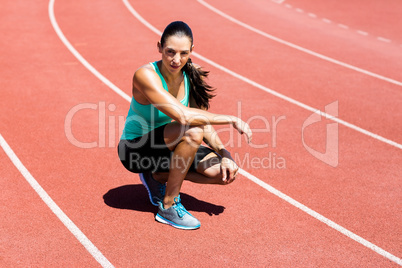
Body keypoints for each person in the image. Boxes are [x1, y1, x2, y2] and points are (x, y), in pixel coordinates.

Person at [118, 21, 252, 230]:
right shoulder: (145, 75)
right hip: (135, 149)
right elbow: (183, 116)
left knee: (223, 174)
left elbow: (201, 120)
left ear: (192, 51)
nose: (176, 60)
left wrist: (225, 155)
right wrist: (231, 118)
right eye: (170, 52)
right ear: (159, 47)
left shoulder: (192, 74)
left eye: (183, 53)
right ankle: (169, 205)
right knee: (191, 131)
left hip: (171, 144)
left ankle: (158, 175)